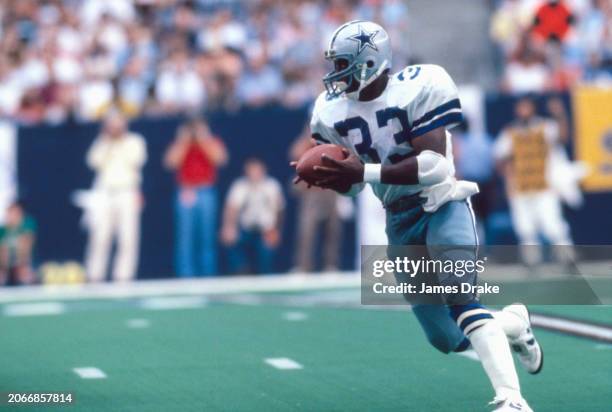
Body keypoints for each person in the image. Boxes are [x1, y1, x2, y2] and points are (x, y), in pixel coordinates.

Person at [293, 21, 541, 411]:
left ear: (369, 62)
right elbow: (356, 186)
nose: (335, 73)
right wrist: (333, 178)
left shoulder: (418, 86)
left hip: (442, 203)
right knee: (447, 339)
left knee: (462, 298)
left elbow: (436, 166)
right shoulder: (329, 111)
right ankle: (512, 323)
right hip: (399, 218)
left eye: (342, 63)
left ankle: (512, 399)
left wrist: (362, 172)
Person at [494, 96, 575, 265]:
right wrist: (508, 180)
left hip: (544, 185)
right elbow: (500, 158)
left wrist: (560, 115)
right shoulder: (510, 132)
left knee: (553, 224)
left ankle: (567, 257)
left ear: (533, 108)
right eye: (520, 107)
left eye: (526, 107)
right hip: (521, 187)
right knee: (525, 227)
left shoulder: (545, 127)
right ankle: (532, 261)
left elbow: (562, 137)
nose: (523, 111)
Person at [84, 111, 146, 282]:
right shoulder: (102, 142)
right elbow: (93, 162)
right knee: (100, 236)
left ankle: (123, 277)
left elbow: (136, 160)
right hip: (105, 192)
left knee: (128, 237)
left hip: (126, 191)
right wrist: (107, 141)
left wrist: (119, 141)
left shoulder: (134, 141)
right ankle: (95, 275)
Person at [164, 118, 228, 277]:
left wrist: (203, 138)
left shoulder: (210, 141)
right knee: (185, 238)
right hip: (186, 190)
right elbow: (171, 162)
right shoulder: (181, 143)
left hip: (205, 190)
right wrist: (183, 141)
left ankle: (207, 276)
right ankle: (186, 276)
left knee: (207, 236)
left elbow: (220, 159)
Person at [289, 129, 341, 272]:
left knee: (332, 229)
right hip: (311, 189)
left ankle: (331, 265)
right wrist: (309, 140)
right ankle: (303, 266)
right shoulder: (306, 139)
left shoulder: (333, 134)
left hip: (331, 187)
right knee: (307, 229)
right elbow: (294, 153)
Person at [221, 158, 284, 274]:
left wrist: (276, 230)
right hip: (246, 230)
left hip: (265, 230)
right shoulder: (240, 186)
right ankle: (241, 272)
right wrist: (229, 227)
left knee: (267, 249)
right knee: (231, 240)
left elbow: (279, 211)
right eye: (251, 170)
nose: (254, 174)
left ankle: (266, 276)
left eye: (257, 170)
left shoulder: (272, 186)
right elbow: (231, 208)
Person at [0, 202, 36, 286]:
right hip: (5, 265)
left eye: (14, 213)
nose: (11, 216)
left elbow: (26, 250)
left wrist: (19, 265)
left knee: (25, 275)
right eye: (9, 213)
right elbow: (2, 253)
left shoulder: (27, 225)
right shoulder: (2, 230)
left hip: (23, 263)